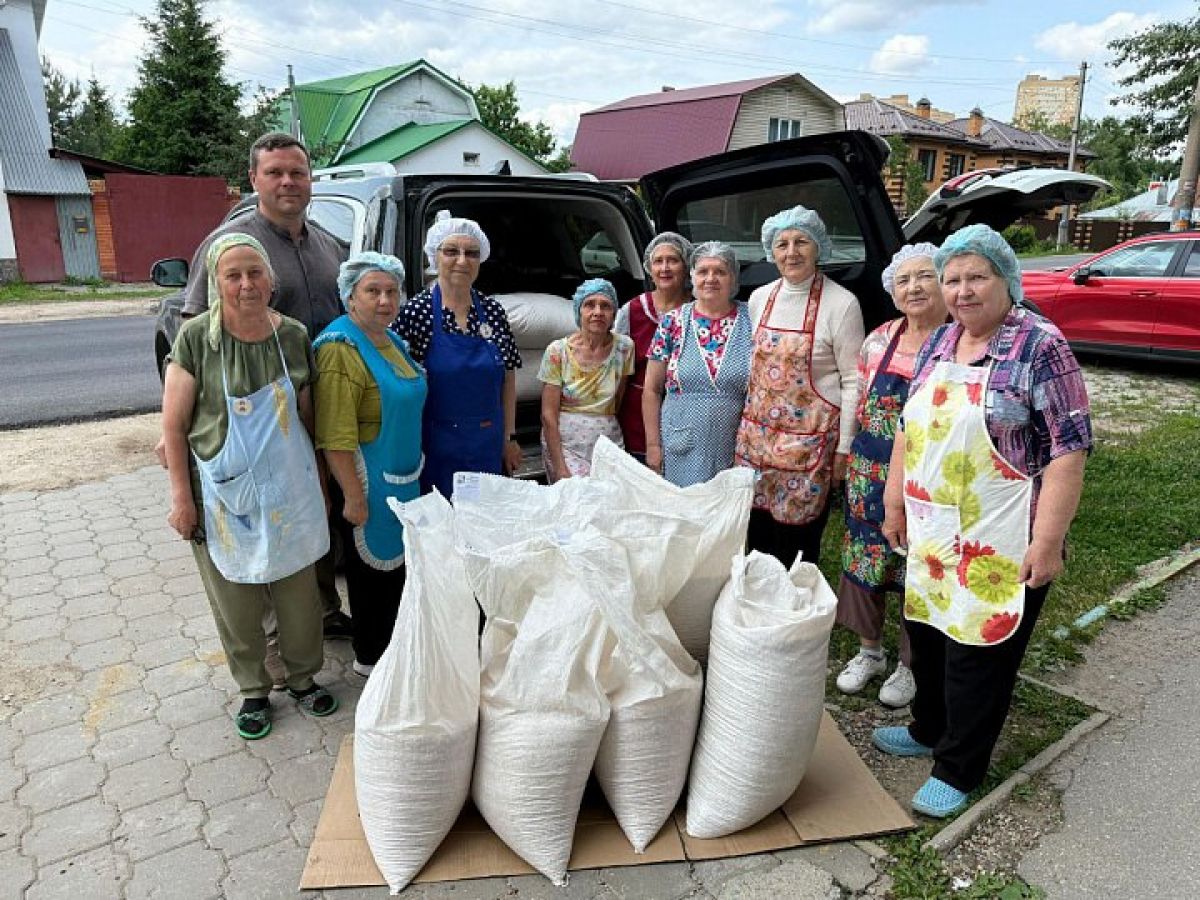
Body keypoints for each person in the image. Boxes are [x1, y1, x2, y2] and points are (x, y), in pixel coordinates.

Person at [876, 224, 1091, 818]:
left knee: (978, 652)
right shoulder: (943, 341)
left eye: (977, 277)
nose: (964, 291)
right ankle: (927, 729)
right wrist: (895, 501)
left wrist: (1047, 541)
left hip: (1001, 536)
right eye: (953, 280)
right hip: (934, 528)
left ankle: (958, 765)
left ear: (1006, 278)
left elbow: (1069, 450)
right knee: (928, 636)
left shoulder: (1038, 345)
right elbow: (908, 428)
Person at [172, 131, 352, 643]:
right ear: (254, 180)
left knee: (314, 507)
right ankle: (275, 639)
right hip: (253, 413)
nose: (288, 182)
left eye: (297, 172)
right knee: (264, 517)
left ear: (310, 179)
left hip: (317, 404)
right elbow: (191, 339)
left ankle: (323, 611)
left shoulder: (328, 245)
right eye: (274, 173)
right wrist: (174, 427)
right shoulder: (231, 244)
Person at [161, 233, 338, 740]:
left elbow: (308, 418)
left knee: (299, 595)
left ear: (270, 279)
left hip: (289, 486)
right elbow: (173, 427)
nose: (246, 285)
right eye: (233, 275)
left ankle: (303, 678)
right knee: (236, 596)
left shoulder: (293, 336)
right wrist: (180, 497)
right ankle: (254, 690)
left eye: (255, 273)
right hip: (222, 492)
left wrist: (320, 482)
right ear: (216, 283)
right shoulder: (196, 338)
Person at [835, 243, 947, 708]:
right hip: (870, 470)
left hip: (929, 476)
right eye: (904, 280)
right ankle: (870, 652)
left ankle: (909, 664)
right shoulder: (879, 339)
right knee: (866, 559)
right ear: (893, 292)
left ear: (943, 282)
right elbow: (860, 401)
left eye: (925, 276)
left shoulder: (958, 341)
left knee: (918, 567)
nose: (914, 287)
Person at [313, 253, 426, 679]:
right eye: (372, 291)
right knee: (370, 580)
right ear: (349, 297)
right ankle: (372, 662)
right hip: (367, 482)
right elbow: (335, 435)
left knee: (397, 573)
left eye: (391, 292)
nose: (384, 300)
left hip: (403, 477)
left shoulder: (392, 341)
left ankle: (396, 651)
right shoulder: (340, 349)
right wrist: (354, 497)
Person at [734, 205, 865, 567]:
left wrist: (845, 447)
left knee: (798, 543)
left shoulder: (841, 304)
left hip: (808, 447)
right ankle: (758, 606)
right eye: (782, 244)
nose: (791, 252)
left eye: (801, 242)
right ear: (770, 251)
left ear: (818, 247)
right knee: (757, 536)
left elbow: (853, 380)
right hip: (757, 442)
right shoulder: (760, 298)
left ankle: (797, 612)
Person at [390, 213, 522, 497]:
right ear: (434, 257)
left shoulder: (494, 312)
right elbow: (396, 386)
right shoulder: (416, 313)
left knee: (484, 520)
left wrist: (508, 438)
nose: (462, 261)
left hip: (487, 443)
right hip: (436, 445)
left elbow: (508, 377)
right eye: (451, 251)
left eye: (472, 253)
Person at [642, 241, 752, 487]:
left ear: (732, 278)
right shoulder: (673, 322)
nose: (710, 278)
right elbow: (651, 389)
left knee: (727, 517)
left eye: (720, 272)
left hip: (736, 444)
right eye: (703, 271)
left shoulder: (751, 319)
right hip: (681, 444)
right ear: (692, 277)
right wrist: (653, 446)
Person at [539, 278, 635, 480]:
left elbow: (617, 401)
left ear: (614, 314)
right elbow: (548, 415)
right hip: (566, 444)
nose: (598, 312)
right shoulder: (557, 351)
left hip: (607, 441)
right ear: (578, 311)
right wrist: (560, 467)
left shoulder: (625, 348)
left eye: (605, 306)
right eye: (590, 305)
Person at [614, 232, 693, 460]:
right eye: (658, 261)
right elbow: (618, 370)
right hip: (637, 415)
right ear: (649, 267)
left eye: (673, 260)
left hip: (686, 413)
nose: (665, 268)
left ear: (686, 266)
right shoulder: (633, 310)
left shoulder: (699, 309)